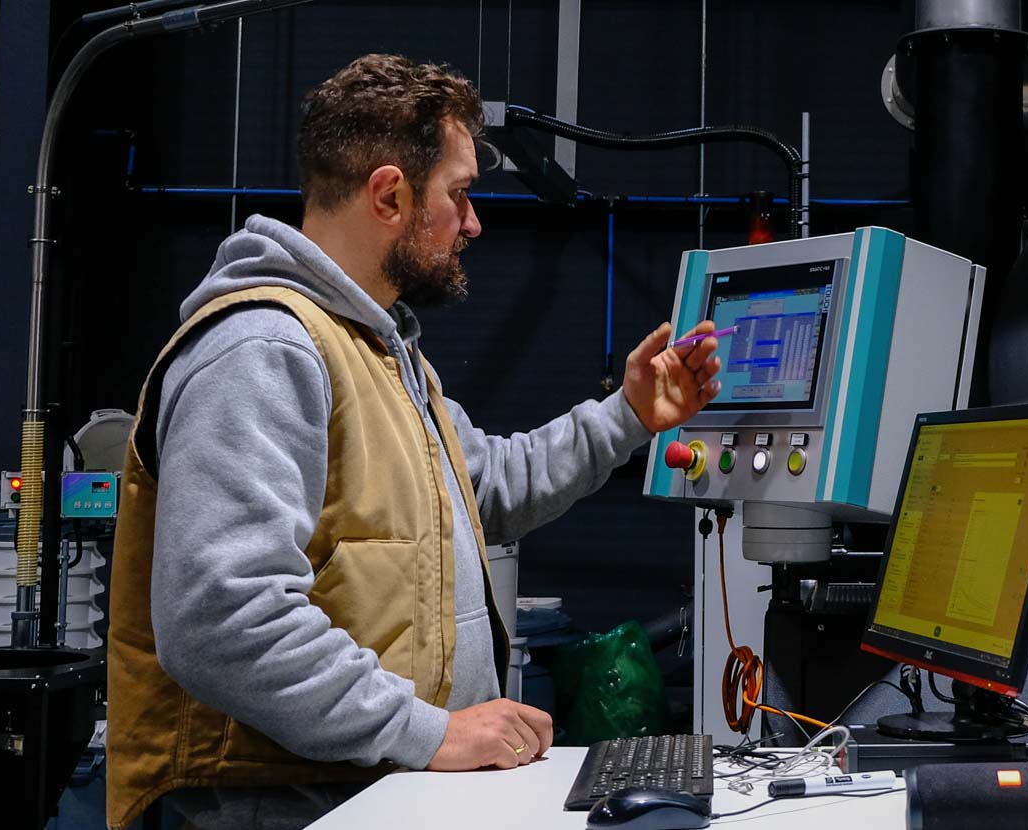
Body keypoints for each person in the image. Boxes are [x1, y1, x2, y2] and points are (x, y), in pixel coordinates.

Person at [102, 53, 722, 830]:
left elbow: (488, 487)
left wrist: (628, 415)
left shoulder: (380, 353)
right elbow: (224, 620)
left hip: (358, 792)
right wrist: (429, 731)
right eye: (460, 195)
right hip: (269, 806)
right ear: (390, 194)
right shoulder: (264, 350)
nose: (474, 222)